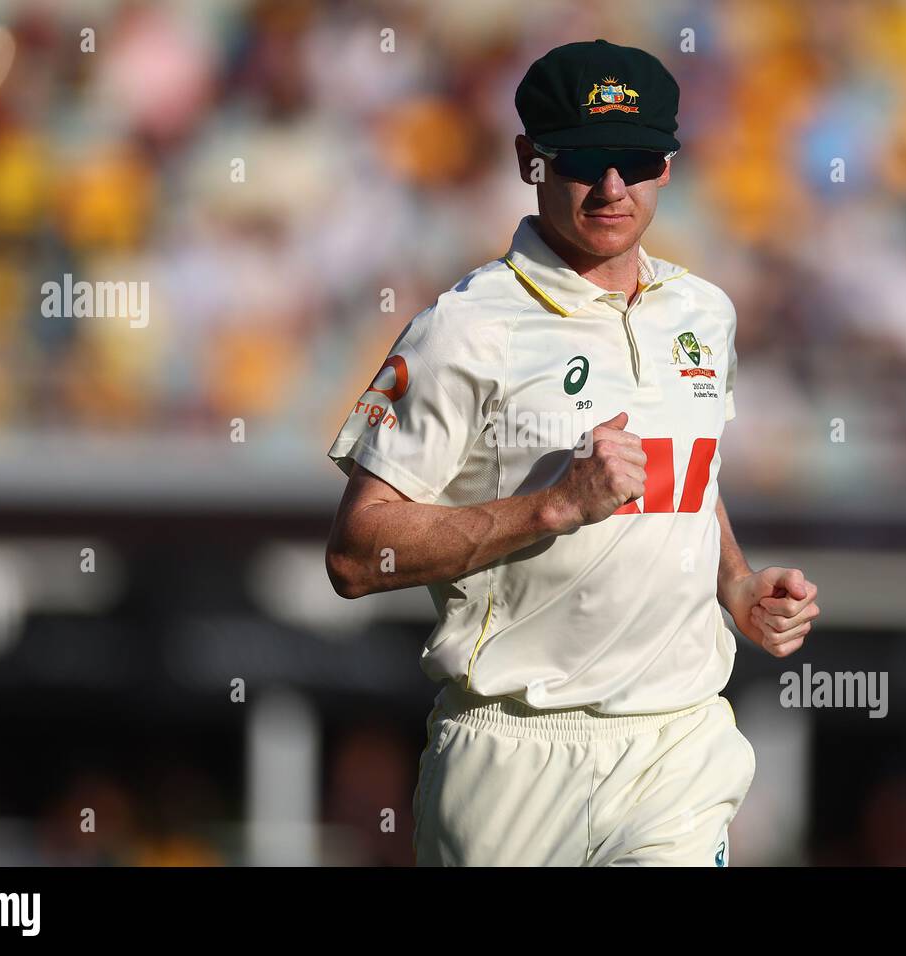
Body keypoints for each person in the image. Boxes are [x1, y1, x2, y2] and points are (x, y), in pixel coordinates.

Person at [325, 39, 819, 866]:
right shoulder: (463, 328)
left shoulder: (703, 312)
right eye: (586, 159)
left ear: (668, 165)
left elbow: (691, 473)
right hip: (510, 754)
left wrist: (730, 580)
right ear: (531, 159)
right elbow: (353, 555)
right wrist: (550, 507)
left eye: (635, 160)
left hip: (677, 740)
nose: (612, 187)